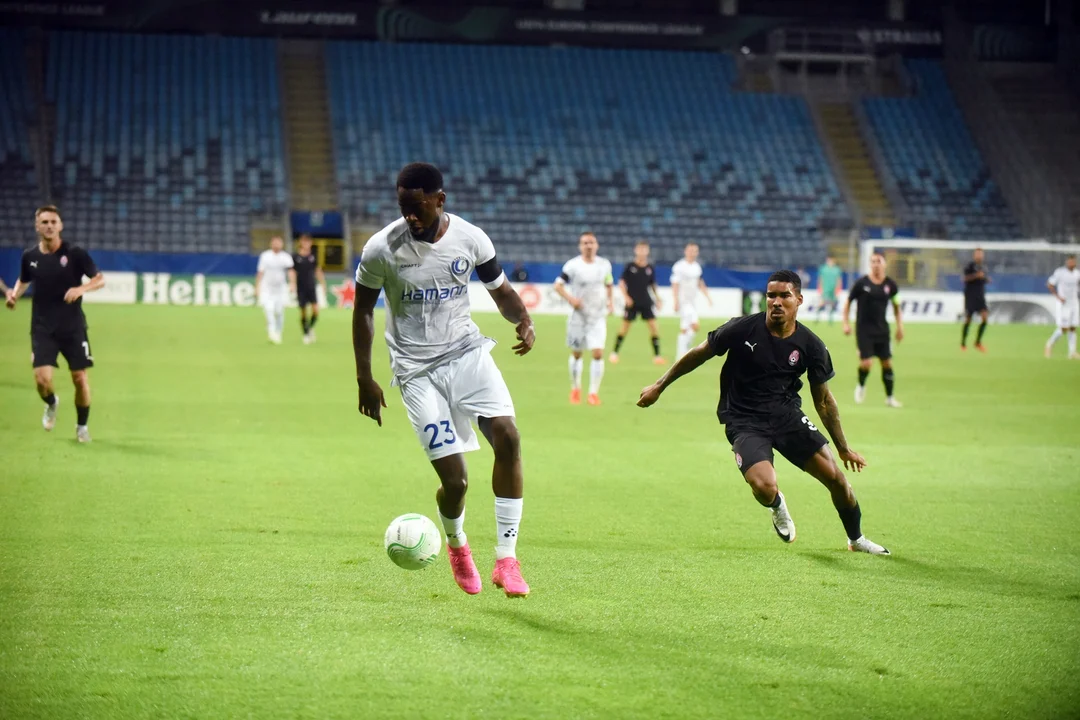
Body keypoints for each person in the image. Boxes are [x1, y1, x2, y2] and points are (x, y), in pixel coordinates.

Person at [353, 163, 536, 598]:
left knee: (508, 437)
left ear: (440, 200)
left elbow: (501, 290)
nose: (409, 217)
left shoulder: (471, 239)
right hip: (416, 371)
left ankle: (507, 561)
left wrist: (524, 318)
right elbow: (362, 310)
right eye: (403, 208)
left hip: (466, 353)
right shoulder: (382, 248)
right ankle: (457, 545)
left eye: (417, 208)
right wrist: (365, 376)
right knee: (456, 482)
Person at [637, 269, 889, 555]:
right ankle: (777, 504)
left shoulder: (811, 345)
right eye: (771, 296)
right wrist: (660, 385)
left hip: (787, 417)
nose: (776, 302)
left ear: (799, 300)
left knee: (836, 478)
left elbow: (823, 401)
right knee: (765, 487)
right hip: (744, 420)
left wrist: (844, 448)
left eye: (785, 296)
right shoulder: (742, 329)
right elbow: (700, 352)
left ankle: (856, 540)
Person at [5, 205, 105, 443]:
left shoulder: (75, 253)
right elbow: (23, 280)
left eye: (53, 222)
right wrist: (14, 295)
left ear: (60, 226)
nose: (49, 226)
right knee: (42, 380)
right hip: (42, 327)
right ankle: (52, 403)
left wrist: (80, 289)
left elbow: (99, 280)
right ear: (37, 226)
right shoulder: (30, 257)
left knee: (79, 379)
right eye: (44, 222)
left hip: (72, 327)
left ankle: (82, 426)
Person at [554, 232, 613, 406]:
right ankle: (575, 388)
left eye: (591, 242)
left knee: (598, 352)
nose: (589, 245)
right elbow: (558, 285)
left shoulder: (604, 265)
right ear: (580, 246)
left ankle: (593, 393)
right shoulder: (573, 265)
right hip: (578, 317)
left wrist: (610, 302)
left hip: (597, 316)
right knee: (577, 353)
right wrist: (571, 299)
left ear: (597, 245)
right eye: (585, 243)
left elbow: (609, 284)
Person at [843, 253, 904, 407]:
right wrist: (846, 323)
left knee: (887, 364)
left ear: (884, 264)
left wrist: (900, 327)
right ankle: (861, 385)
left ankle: (890, 398)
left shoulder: (890, 285)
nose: (875, 264)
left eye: (878, 261)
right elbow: (848, 302)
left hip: (882, 330)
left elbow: (897, 307)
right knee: (867, 363)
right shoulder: (861, 283)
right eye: (873, 261)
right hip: (864, 330)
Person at [610, 240, 664, 366]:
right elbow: (622, 283)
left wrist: (658, 298)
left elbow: (653, 285)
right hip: (632, 303)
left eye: (644, 249)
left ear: (648, 251)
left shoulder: (650, 268)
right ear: (636, 250)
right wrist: (626, 297)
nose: (642, 252)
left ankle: (657, 356)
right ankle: (614, 353)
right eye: (640, 249)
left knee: (654, 328)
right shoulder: (630, 266)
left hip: (646, 302)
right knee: (624, 328)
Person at [671, 243, 712, 360]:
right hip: (684, 302)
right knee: (694, 325)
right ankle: (681, 354)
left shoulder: (696, 267)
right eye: (690, 250)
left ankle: (682, 353)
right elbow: (675, 284)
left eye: (695, 251)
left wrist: (707, 297)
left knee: (688, 328)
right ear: (685, 251)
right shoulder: (679, 266)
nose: (692, 253)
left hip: (692, 302)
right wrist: (675, 300)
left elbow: (700, 282)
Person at [255, 236, 296, 345]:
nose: (277, 244)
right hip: (267, 288)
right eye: (275, 242)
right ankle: (271, 332)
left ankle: (278, 332)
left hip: (280, 289)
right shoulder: (265, 256)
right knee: (268, 309)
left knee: (279, 311)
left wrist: (292, 283)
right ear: (271, 244)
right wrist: (257, 286)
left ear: (282, 244)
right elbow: (260, 272)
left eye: (279, 242)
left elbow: (291, 271)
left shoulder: (286, 257)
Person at [292, 234, 326, 345]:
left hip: (311, 287)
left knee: (316, 310)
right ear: (301, 243)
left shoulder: (313, 256)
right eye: (304, 241)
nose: (306, 244)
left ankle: (310, 328)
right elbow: (292, 272)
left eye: (308, 242)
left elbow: (318, 270)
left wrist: (322, 283)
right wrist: (292, 284)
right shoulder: (295, 257)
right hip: (300, 287)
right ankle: (306, 334)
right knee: (303, 312)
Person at [1045, 255, 1079, 359]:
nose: (1071, 264)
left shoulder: (1077, 274)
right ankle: (1049, 344)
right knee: (1064, 328)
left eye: (1073, 262)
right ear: (1066, 262)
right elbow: (1050, 284)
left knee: (1073, 328)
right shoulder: (1060, 272)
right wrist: (1058, 297)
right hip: (1064, 304)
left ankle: (1072, 352)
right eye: (1069, 262)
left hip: (1074, 303)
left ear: (1075, 262)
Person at [961, 248, 990, 352]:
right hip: (970, 296)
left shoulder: (984, 267)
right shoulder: (969, 266)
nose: (979, 256)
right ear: (974, 255)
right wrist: (976, 276)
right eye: (978, 254)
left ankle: (978, 342)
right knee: (968, 319)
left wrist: (986, 279)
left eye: (981, 254)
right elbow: (964, 279)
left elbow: (984, 278)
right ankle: (963, 343)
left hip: (980, 296)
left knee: (985, 318)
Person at [816, 255, 843, 324]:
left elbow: (839, 280)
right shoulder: (823, 268)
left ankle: (830, 320)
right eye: (829, 260)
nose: (830, 262)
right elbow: (820, 279)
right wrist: (820, 288)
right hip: (825, 289)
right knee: (822, 303)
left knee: (832, 304)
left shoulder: (837, 269)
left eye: (831, 260)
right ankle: (817, 318)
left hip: (833, 289)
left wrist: (838, 289)